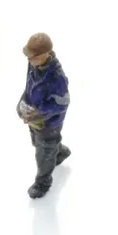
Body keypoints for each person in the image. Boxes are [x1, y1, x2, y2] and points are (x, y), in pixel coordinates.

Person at [16, 33, 71, 199]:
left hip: (49, 123)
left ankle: (43, 182)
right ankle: (59, 152)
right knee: (37, 142)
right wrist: (22, 102)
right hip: (35, 120)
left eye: (32, 57)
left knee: (43, 153)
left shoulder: (57, 77)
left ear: (44, 55)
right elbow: (28, 86)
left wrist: (39, 114)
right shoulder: (34, 64)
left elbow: (62, 103)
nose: (28, 60)